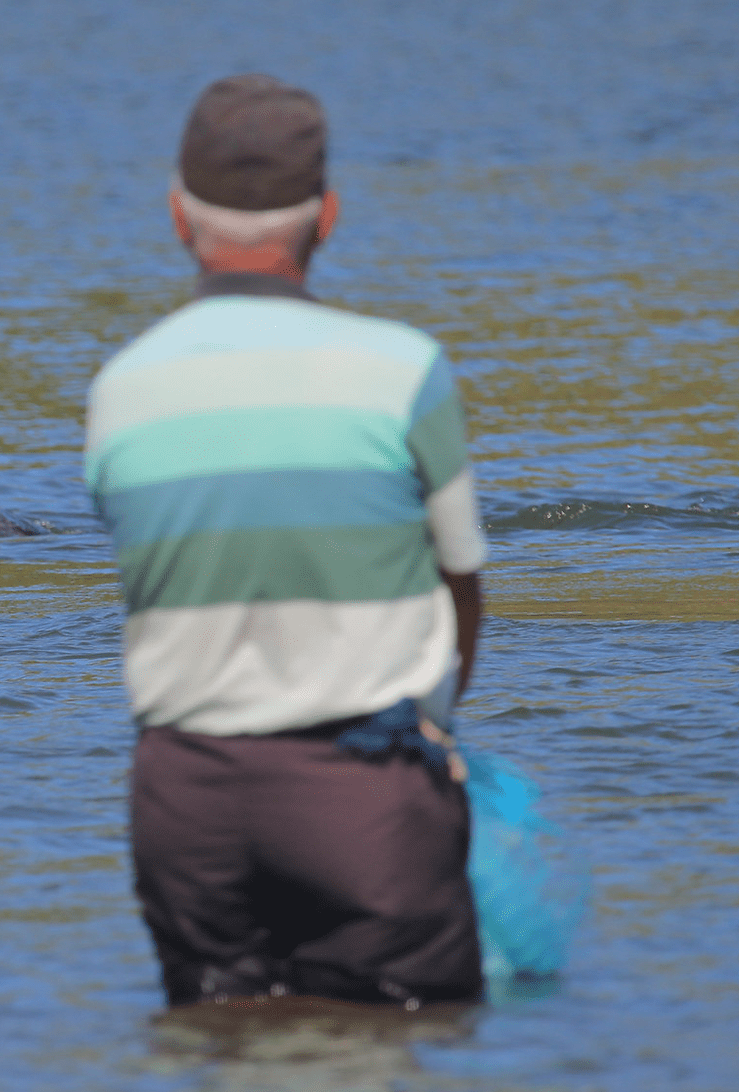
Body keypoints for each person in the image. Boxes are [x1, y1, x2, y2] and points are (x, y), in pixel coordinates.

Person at [84, 75, 489, 1008]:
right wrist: (436, 718)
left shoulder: (121, 390)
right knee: (405, 1052)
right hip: (362, 795)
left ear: (180, 218)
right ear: (330, 217)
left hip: (185, 803)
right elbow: (461, 580)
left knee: (217, 1063)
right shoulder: (406, 372)